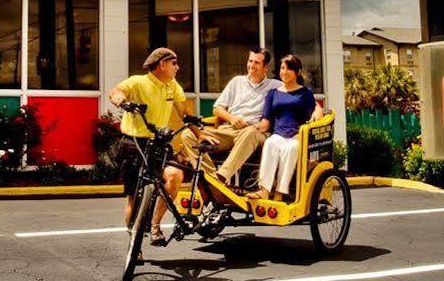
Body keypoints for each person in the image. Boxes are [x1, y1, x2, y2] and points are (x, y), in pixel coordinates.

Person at [107, 46, 194, 244]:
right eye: (174, 63)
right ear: (162, 64)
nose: (177, 68)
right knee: (134, 198)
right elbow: (117, 91)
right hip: (134, 142)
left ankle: (155, 225)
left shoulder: (172, 85)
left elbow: (185, 114)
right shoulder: (138, 81)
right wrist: (119, 98)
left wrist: (201, 134)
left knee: (175, 175)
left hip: (159, 143)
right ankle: (134, 244)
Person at [196, 48, 279, 189]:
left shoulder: (275, 86)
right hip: (230, 129)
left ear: (266, 67)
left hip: (255, 132)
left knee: (250, 133)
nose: (251, 65)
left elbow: (298, 93)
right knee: (188, 135)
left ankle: (221, 177)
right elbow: (217, 109)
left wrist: (317, 108)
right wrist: (232, 118)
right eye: (250, 61)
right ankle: (209, 176)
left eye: (256, 62)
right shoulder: (236, 82)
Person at [254, 54, 318, 202]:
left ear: (298, 72)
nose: (284, 72)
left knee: (290, 150)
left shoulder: (305, 93)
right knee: (270, 143)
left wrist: (317, 113)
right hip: (279, 135)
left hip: (298, 136)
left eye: (289, 68)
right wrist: (250, 126)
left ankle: (280, 193)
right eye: (282, 68)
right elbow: (266, 121)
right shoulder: (273, 94)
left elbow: (314, 111)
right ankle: (264, 190)